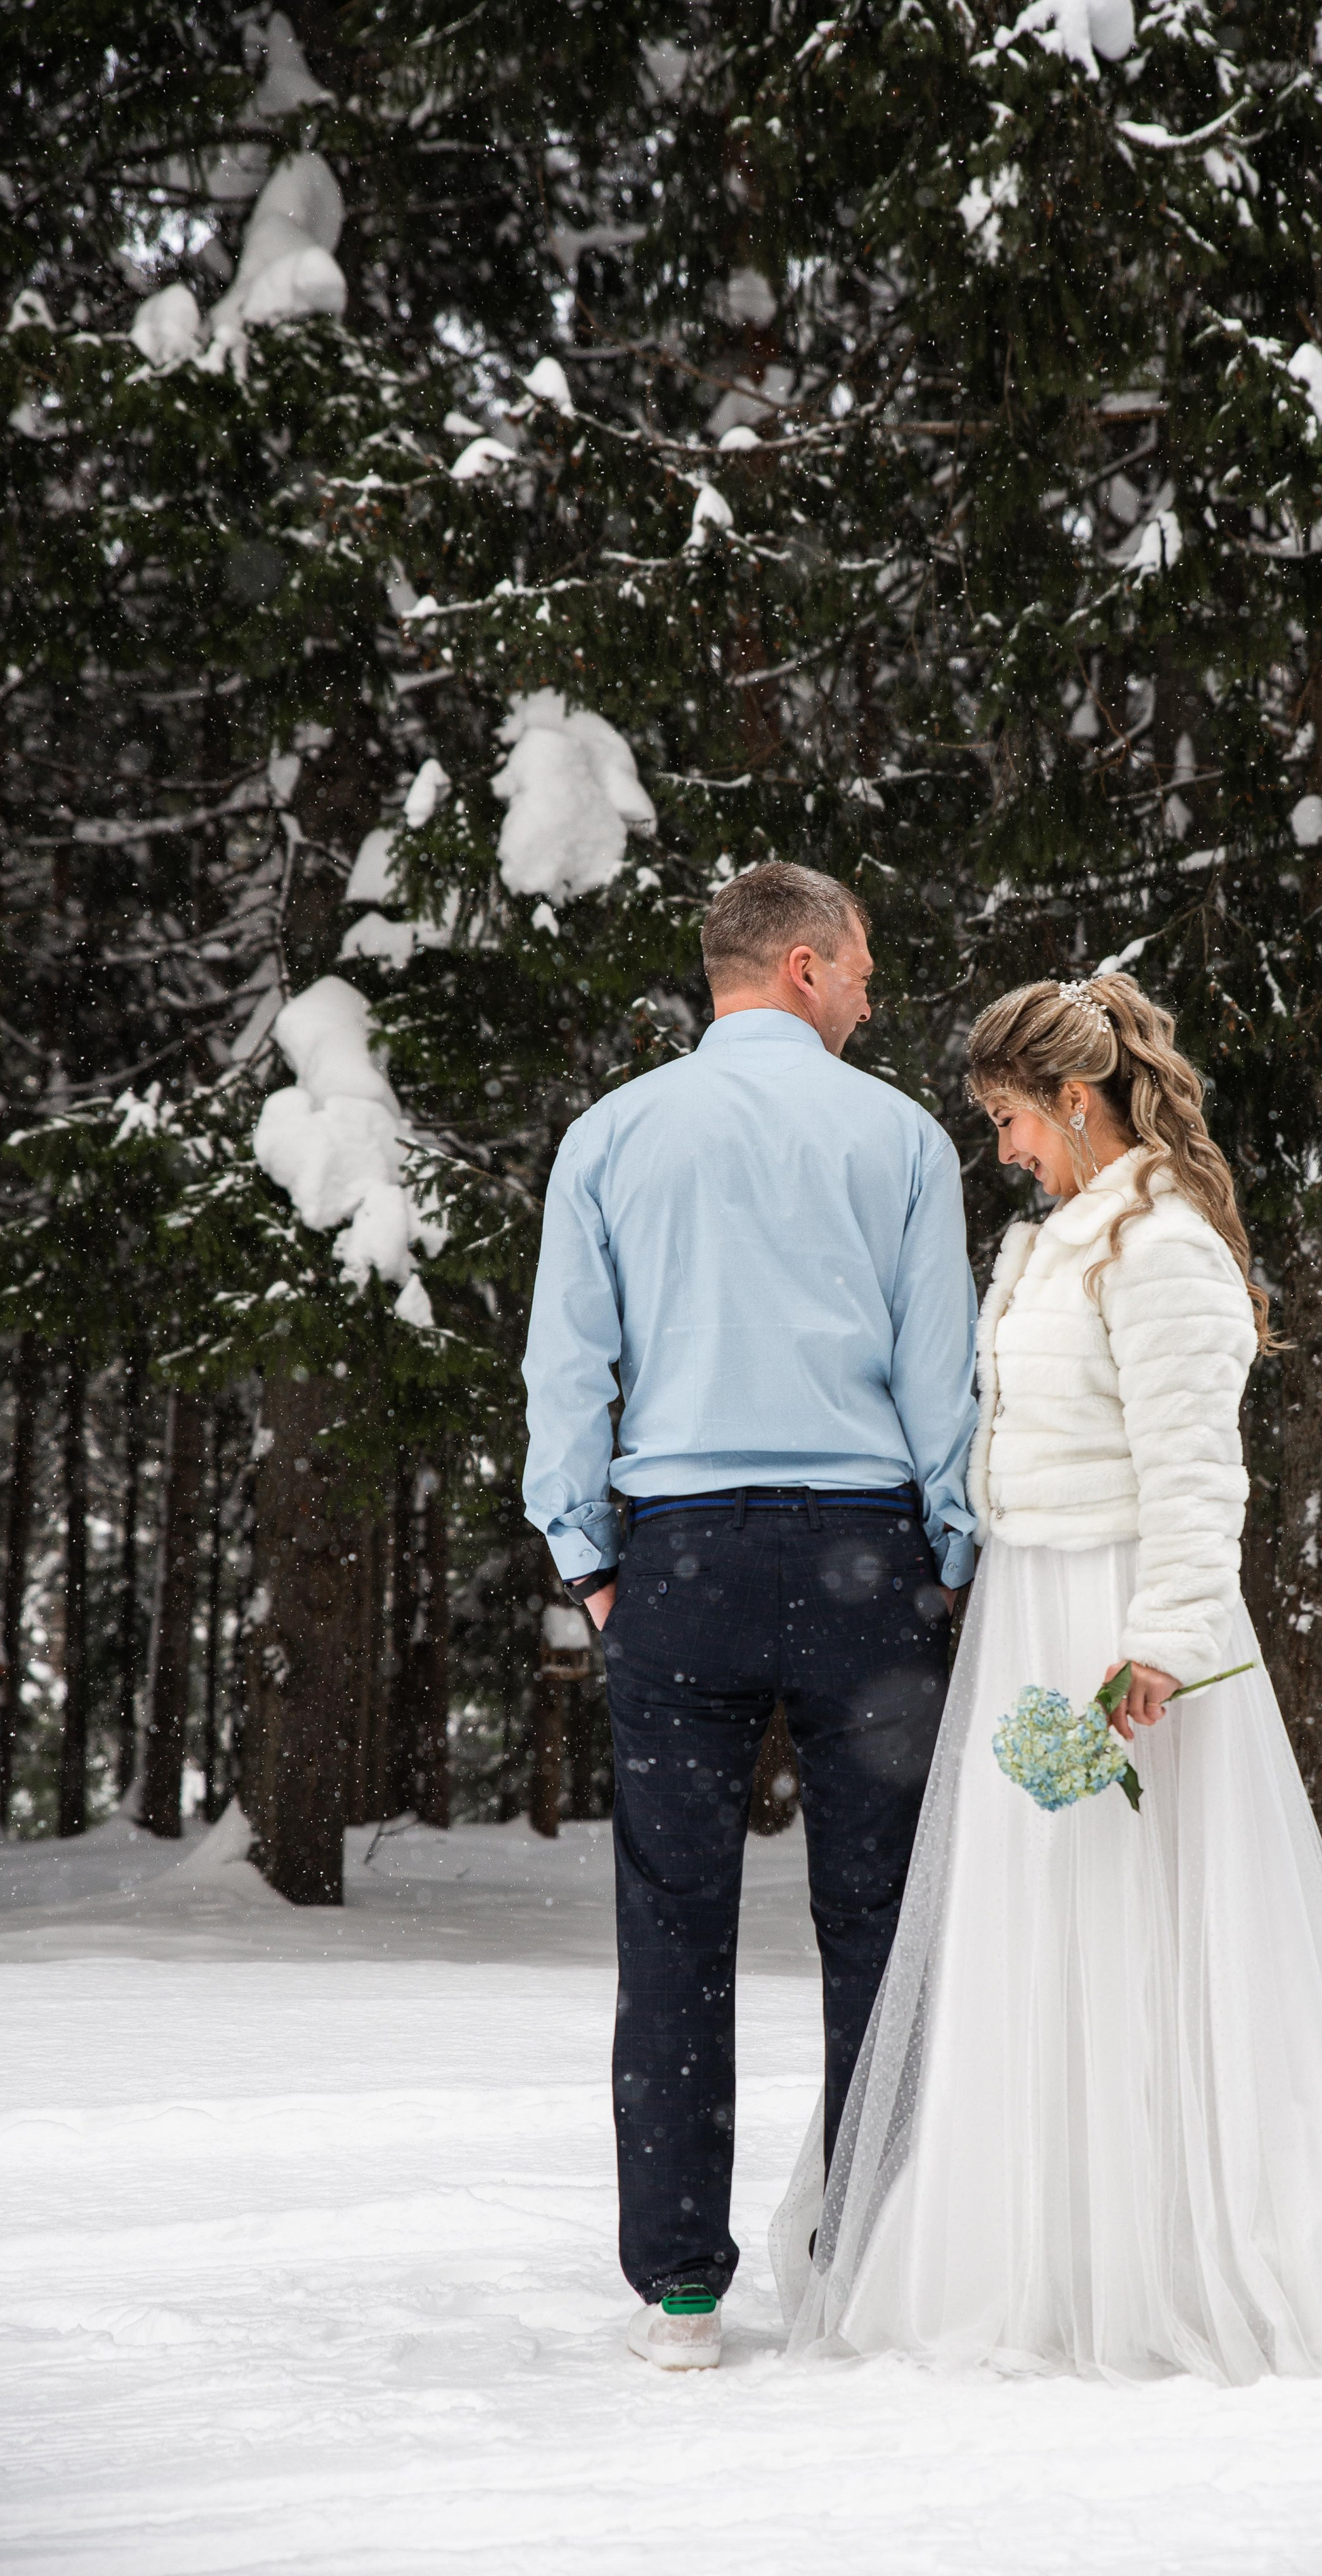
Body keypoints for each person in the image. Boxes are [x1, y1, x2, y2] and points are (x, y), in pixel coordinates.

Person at [773, 974, 1322, 2384]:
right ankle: (1039, 2234)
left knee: (1136, 1919)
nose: (1004, 1151)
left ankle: (1170, 2240)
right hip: (1032, 1609)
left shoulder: (1158, 1247)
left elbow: (1196, 1470)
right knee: (1036, 1921)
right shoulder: (1055, 1243)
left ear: (1074, 1100)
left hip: (1120, 1625)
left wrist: (1155, 1642)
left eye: (1010, 1119)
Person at [523, 860, 978, 2372]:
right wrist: (955, 1548)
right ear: (796, 965)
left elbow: (562, 1368)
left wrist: (589, 1555)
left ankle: (679, 2288)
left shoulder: (610, 1133)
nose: (869, 991)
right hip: (866, 1560)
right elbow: (939, 1378)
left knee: (670, 1928)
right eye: (857, 967)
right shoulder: (900, 1137)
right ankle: (864, 2258)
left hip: (681, 1564)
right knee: (881, 1929)